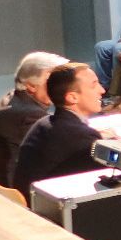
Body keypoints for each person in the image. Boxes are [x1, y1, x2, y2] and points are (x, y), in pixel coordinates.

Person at [13, 63, 105, 197]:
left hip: (28, 203)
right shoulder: (83, 137)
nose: (102, 90)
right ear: (72, 97)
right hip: (47, 213)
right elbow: (107, 182)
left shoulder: (43, 123)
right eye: (94, 85)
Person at [0, 52, 68, 190]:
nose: (61, 86)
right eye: (53, 80)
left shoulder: (12, 97)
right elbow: (62, 153)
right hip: (18, 197)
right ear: (31, 86)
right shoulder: (29, 116)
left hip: (0, 186)